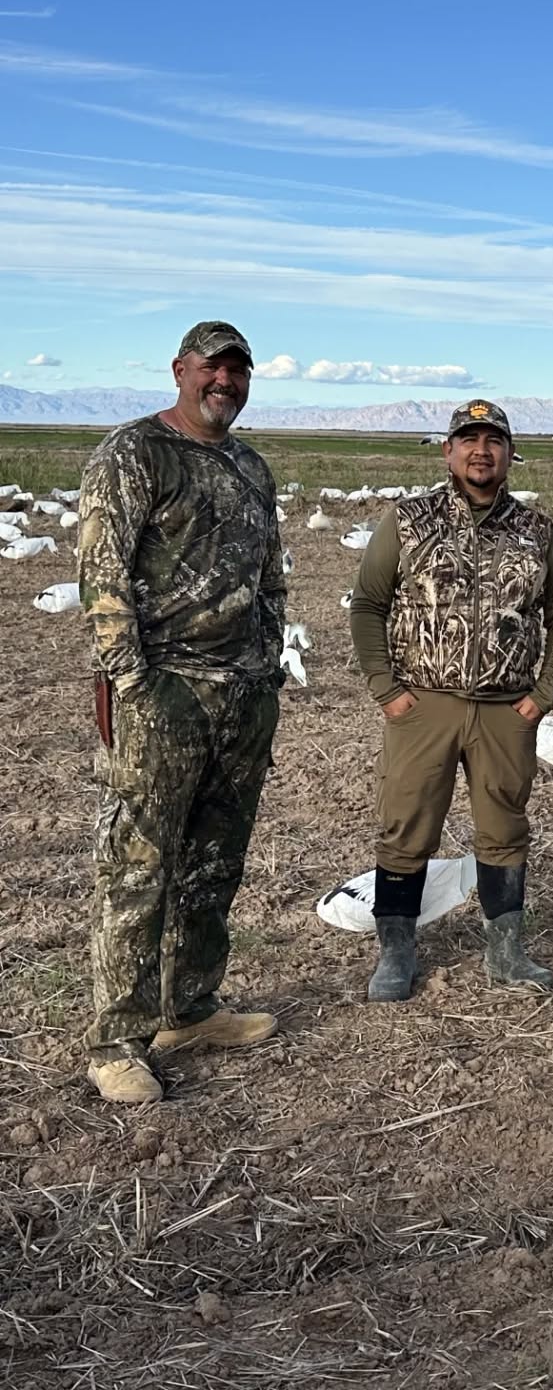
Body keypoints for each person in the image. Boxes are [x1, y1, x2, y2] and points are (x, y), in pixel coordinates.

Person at [78, 321, 285, 1105]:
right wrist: (132, 684)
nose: (224, 382)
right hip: (163, 694)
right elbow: (103, 577)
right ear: (180, 371)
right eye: (212, 367)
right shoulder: (134, 454)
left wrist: (265, 668)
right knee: (138, 865)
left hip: (242, 694)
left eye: (237, 371)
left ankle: (188, 1008)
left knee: (213, 862)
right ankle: (114, 1040)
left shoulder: (249, 466)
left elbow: (270, 577)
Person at [349, 399, 553, 1001]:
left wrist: (542, 694)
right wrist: (388, 691)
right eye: (469, 439)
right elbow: (369, 605)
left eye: (494, 440)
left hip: (507, 711)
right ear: (449, 451)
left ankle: (505, 950)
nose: (482, 450)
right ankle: (396, 951)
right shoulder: (408, 522)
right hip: (423, 705)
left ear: (510, 454)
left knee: (504, 829)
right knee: (406, 827)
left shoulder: (536, 532)